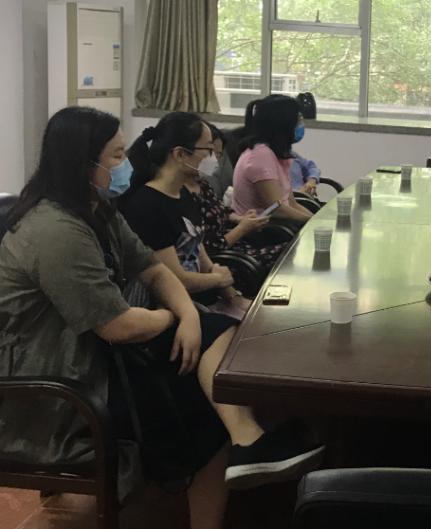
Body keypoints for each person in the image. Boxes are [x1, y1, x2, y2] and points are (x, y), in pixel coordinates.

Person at [0, 107, 325, 529]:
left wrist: (188, 313)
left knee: (207, 355)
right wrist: (175, 320)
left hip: (95, 358)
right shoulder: (55, 230)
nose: (128, 165)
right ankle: (244, 445)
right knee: (205, 400)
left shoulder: (96, 210)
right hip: (57, 388)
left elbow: (153, 269)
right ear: (83, 162)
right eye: (118, 156)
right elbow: (117, 325)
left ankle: (247, 442)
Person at [120, 113, 249, 318]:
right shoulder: (147, 205)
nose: (213, 158)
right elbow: (176, 278)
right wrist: (218, 279)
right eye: (208, 150)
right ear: (180, 154)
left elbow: (203, 259)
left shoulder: (183, 193)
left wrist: (234, 298)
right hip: (169, 309)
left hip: (202, 300)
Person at [186, 122, 290, 272]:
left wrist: (240, 219)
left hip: (238, 246)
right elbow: (211, 248)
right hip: (227, 259)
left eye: (218, 155)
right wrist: (242, 228)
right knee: (290, 255)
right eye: (210, 152)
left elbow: (222, 210)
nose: (215, 160)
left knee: (292, 248)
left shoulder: (202, 184)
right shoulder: (183, 195)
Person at [233, 95, 313, 223]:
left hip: (281, 223)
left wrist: (317, 221)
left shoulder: (276, 153)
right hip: (266, 229)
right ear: (283, 124)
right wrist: (312, 222)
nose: (301, 126)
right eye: (298, 121)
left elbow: (291, 203)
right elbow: (276, 209)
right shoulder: (260, 156)